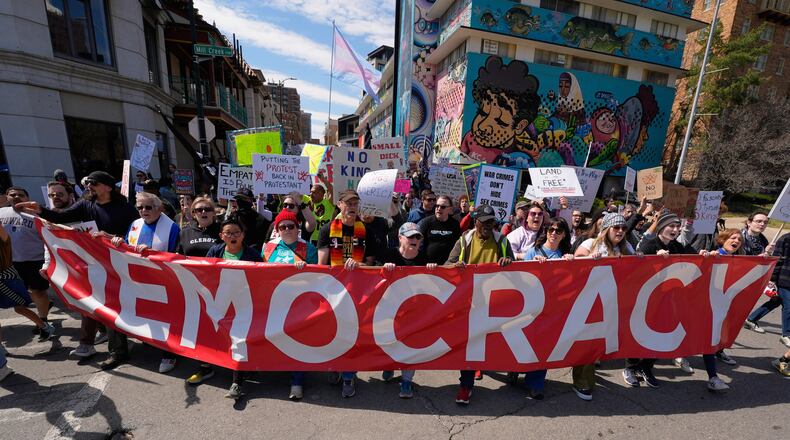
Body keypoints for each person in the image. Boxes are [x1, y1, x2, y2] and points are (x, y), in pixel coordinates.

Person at [15, 171, 138, 367]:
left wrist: (114, 238)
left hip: (121, 263)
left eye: (94, 183)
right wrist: (40, 210)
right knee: (110, 305)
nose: (89, 186)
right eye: (88, 183)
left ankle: (143, 340)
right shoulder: (86, 204)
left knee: (126, 304)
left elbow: (135, 233)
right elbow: (62, 217)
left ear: (107, 187)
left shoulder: (126, 208)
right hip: (97, 265)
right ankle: (117, 351)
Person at [445, 204, 514, 405]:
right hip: (470, 303)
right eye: (484, 222)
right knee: (470, 346)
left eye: (491, 222)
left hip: (496, 303)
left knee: (500, 342)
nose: (488, 226)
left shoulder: (502, 240)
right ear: (475, 222)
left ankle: (513, 369)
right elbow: (447, 265)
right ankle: (466, 386)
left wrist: (508, 261)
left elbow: (514, 266)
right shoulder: (464, 240)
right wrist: (456, 266)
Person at [110, 192, 180, 374]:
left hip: (160, 281)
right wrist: (118, 242)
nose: (143, 211)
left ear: (159, 208)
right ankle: (124, 350)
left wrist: (152, 253)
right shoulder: (135, 224)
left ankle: (169, 354)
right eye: (139, 207)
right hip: (135, 280)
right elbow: (127, 245)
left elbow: (175, 256)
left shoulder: (171, 227)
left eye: (148, 207)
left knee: (165, 318)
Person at [317, 189, 375, 397]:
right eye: (348, 203)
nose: (352, 207)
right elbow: (321, 265)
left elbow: (372, 263)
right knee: (333, 332)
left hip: (358, 291)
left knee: (352, 334)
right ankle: (335, 366)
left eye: (355, 203)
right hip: (334, 290)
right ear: (339, 205)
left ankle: (349, 376)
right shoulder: (326, 230)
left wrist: (359, 266)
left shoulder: (366, 230)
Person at [573, 212, 636, 400]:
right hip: (589, 303)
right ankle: (581, 381)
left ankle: (589, 374)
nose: (621, 231)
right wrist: (589, 258)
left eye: (624, 228)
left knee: (598, 344)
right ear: (606, 228)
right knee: (586, 343)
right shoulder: (590, 244)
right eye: (616, 227)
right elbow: (573, 265)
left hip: (612, 304)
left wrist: (642, 259)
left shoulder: (627, 248)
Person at [262, 210, 319, 400]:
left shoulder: (308, 249)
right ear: (277, 230)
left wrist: (306, 270)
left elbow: (317, 278)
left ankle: (297, 381)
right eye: (282, 226)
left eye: (291, 226)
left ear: (297, 228)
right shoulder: (268, 248)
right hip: (274, 302)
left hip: (299, 304)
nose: (287, 230)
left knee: (297, 343)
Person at [516, 217, 574, 400]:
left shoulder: (566, 255)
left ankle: (536, 383)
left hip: (553, 310)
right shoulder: (533, 251)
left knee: (543, 347)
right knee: (524, 343)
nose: (553, 233)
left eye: (558, 230)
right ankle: (515, 369)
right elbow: (520, 278)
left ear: (564, 235)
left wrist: (573, 264)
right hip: (531, 308)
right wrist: (532, 264)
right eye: (550, 229)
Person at [205, 218, 263, 400]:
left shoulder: (252, 254)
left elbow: (263, 277)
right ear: (221, 236)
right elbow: (203, 271)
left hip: (244, 303)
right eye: (228, 233)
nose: (232, 236)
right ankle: (209, 367)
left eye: (236, 233)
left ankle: (237, 382)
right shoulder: (215, 251)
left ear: (243, 235)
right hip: (221, 302)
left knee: (240, 337)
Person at [379, 222, 437, 398]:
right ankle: (389, 365)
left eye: (418, 237)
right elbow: (374, 282)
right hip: (390, 312)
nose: (414, 239)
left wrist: (433, 271)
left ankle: (406, 381)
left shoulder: (425, 258)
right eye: (410, 236)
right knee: (391, 343)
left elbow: (434, 286)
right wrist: (384, 269)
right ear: (400, 238)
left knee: (411, 347)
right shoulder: (389, 255)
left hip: (414, 313)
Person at [0, 187, 53, 326]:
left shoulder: (37, 215)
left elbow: (49, 238)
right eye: (12, 195)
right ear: (7, 197)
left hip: (35, 260)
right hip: (11, 264)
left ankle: (43, 321)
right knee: (21, 295)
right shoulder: (1, 213)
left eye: (21, 195)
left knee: (38, 292)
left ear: (27, 198)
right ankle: (44, 308)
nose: (16, 197)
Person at [0, 220, 55, 349]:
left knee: (19, 307)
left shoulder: (4, 241)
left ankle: (45, 326)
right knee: (20, 305)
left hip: (7, 280)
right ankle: (1, 349)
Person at [746, 231, 790, 348]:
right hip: (784, 279)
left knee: (776, 301)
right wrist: (773, 279)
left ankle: (751, 318)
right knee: (788, 306)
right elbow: (778, 260)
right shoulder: (785, 239)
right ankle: (786, 334)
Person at [419, 195, 461, 265]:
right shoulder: (426, 222)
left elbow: (458, 245)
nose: (439, 208)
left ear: (450, 209)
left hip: (448, 266)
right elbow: (419, 245)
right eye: (437, 206)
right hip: (429, 266)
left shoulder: (455, 224)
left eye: (443, 207)